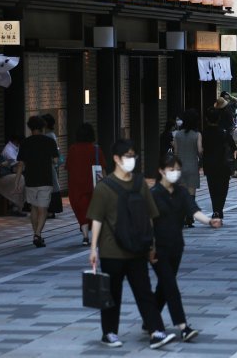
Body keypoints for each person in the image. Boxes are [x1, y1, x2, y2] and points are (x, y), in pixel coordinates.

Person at [87, 139, 176, 349]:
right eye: (127, 156)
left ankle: (156, 331)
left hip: (138, 247)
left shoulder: (139, 183)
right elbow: (97, 220)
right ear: (116, 159)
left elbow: (151, 216)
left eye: (133, 156)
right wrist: (93, 249)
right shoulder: (104, 187)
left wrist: (152, 244)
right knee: (112, 295)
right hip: (111, 251)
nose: (132, 160)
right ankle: (109, 332)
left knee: (144, 291)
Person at [148, 155, 221, 342]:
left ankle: (150, 318)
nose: (176, 173)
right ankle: (183, 327)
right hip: (158, 249)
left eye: (178, 169)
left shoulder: (181, 193)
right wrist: (150, 246)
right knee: (171, 286)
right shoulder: (154, 194)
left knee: (164, 286)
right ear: (161, 171)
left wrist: (209, 221)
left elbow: (194, 211)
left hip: (176, 247)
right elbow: (146, 222)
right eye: (172, 169)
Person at [14, 116, 59, 248]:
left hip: (30, 180)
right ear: (43, 127)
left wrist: (16, 182)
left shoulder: (25, 143)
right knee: (43, 208)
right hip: (45, 179)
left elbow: (21, 164)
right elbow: (56, 161)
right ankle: (38, 234)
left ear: (30, 128)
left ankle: (36, 234)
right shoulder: (49, 141)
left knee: (34, 208)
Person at [66, 123, 107, 246]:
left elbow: (68, 167)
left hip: (76, 186)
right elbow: (103, 168)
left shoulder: (73, 149)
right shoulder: (95, 149)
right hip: (93, 185)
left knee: (81, 210)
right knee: (94, 210)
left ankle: (85, 237)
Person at [202, 107, 236, 219]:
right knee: (223, 189)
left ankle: (215, 210)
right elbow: (233, 147)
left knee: (213, 189)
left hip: (209, 165)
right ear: (219, 119)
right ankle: (219, 210)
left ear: (207, 119)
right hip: (224, 165)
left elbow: (200, 149)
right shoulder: (224, 133)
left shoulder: (204, 133)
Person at [0, 135, 25, 216]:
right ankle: (16, 206)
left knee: (19, 178)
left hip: (0, 176)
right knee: (19, 178)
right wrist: (1, 165)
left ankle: (17, 205)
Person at [173, 109, 202, 198]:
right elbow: (200, 151)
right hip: (192, 166)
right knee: (191, 195)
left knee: (181, 194)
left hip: (180, 167)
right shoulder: (197, 135)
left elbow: (175, 152)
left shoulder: (177, 134)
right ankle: (191, 211)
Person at [42, 113, 63, 218]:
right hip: (50, 165)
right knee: (52, 186)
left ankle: (50, 211)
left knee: (50, 186)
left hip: (48, 165)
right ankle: (51, 210)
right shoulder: (52, 135)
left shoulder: (48, 136)